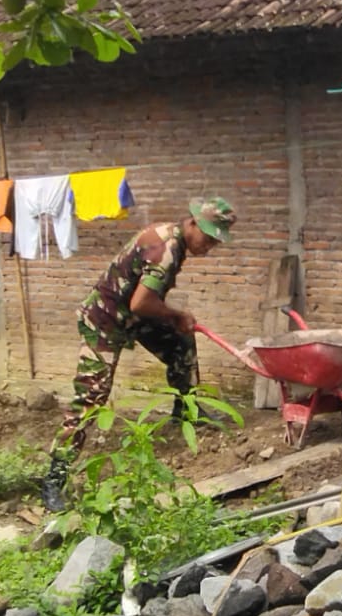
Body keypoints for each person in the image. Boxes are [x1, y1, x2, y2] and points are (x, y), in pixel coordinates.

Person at [41, 197, 237, 510]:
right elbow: (141, 302)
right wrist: (176, 315)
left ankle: (187, 410)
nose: (209, 246)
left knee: (180, 343)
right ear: (193, 223)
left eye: (215, 241)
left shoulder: (170, 236)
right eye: (209, 237)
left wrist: (174, 322)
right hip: (104, 321)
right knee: (91, 399)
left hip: (131, 318)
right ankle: (54, 478)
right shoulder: (166, 250)